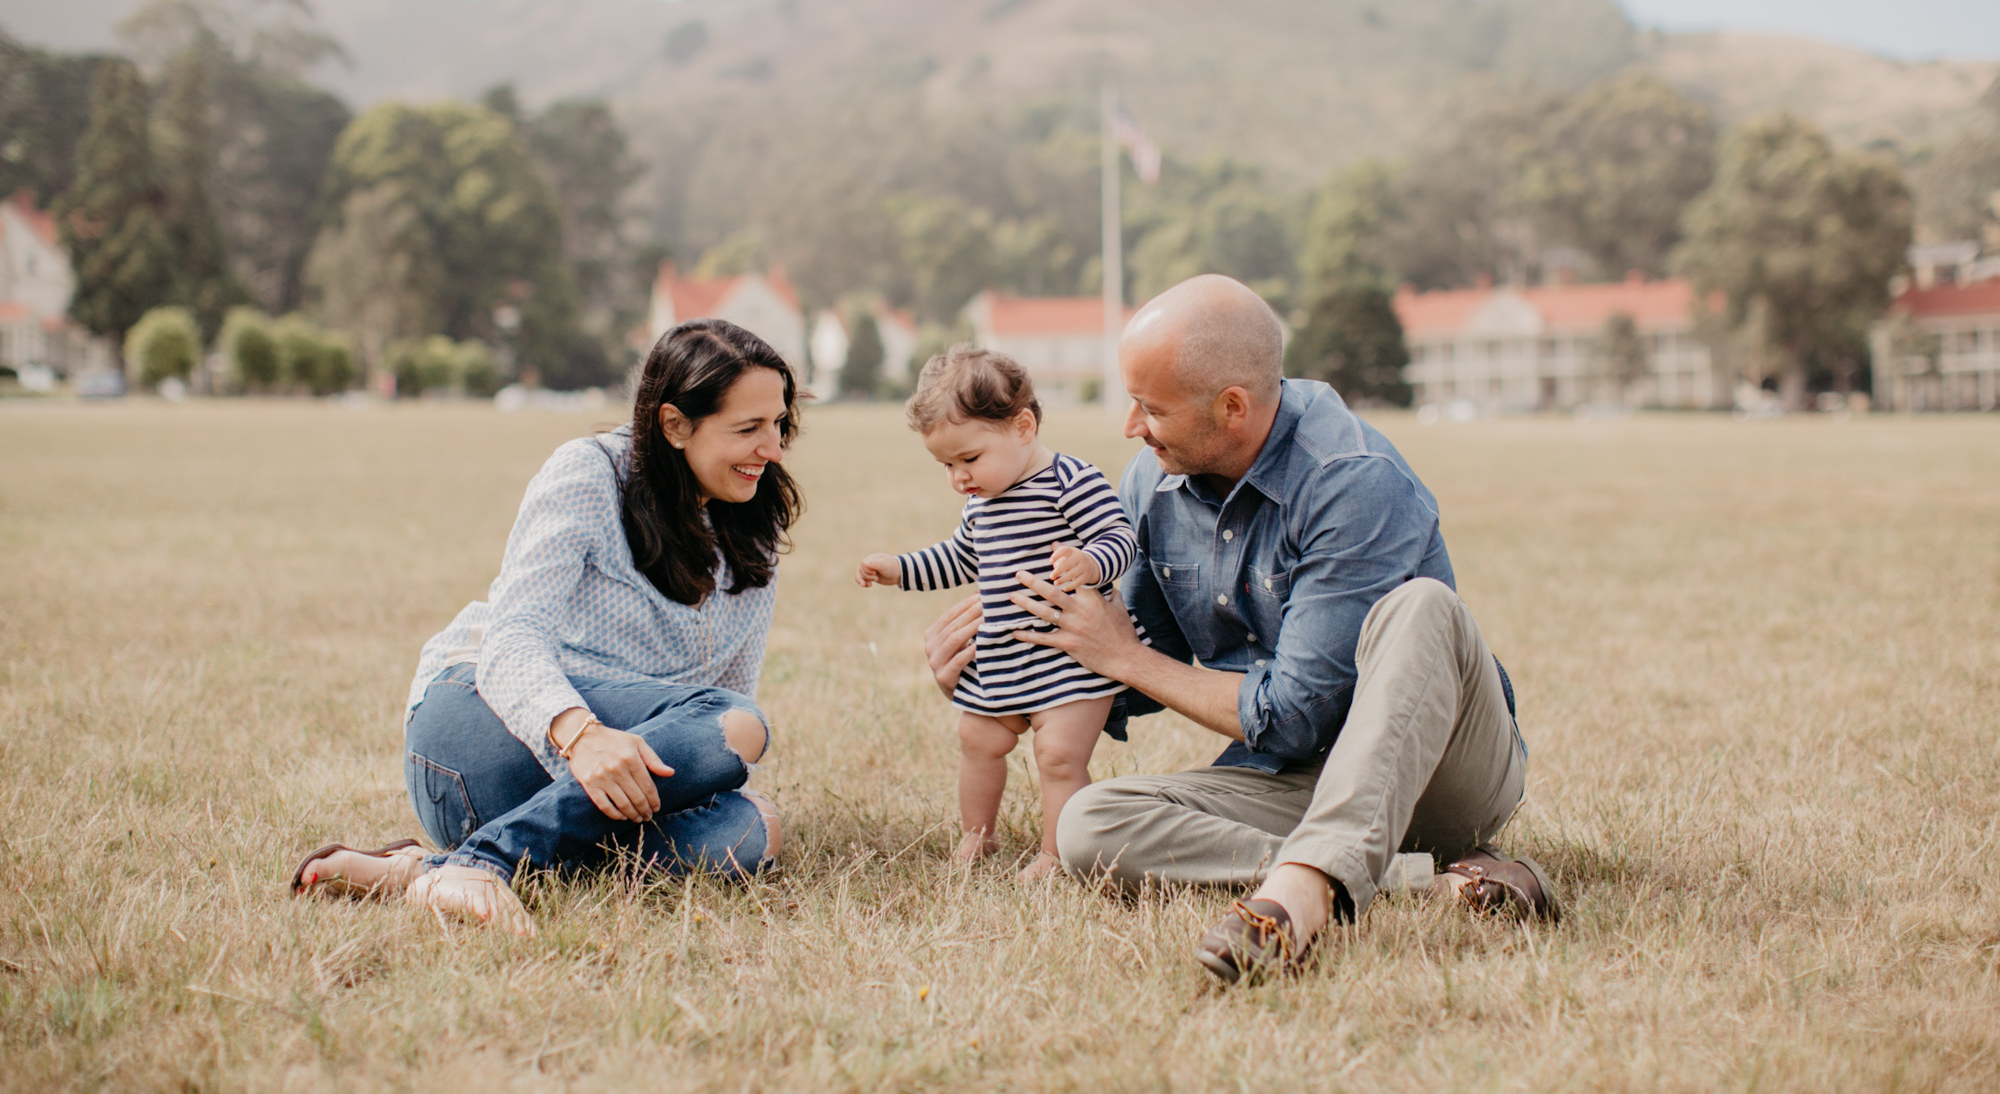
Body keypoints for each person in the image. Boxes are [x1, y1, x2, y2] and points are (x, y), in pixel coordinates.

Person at [921, 275, 1558, 983]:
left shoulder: (1351, 477)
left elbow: (1291, 712)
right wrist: (1004, 665)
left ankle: (1300, 893)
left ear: (1232, 408)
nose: (1130, 426)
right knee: (1087, 825)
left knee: (1424, 608)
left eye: (1150, 407)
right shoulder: (1149, 482)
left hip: (1434, 773)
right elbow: (1133, 666)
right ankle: (1425, 883)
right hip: (1291, 785)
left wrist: (1126, 657)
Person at [292, 319, 801, 935]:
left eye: (778, 423)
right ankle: (487, 859)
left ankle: (432, 870)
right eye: (748, 429)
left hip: (592, 793)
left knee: (752, 830)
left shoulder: (752, 525)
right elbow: (511, 640)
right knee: (738, 723)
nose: (772, 448)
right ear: (674, 425)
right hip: (478, 732)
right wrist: (583, 738)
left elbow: (705, 723)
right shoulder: (589, 475)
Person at [858, 345, 1137, 880]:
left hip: (1069, 660)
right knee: (977, 738)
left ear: (1023, 426)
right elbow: (959, 558)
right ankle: (976, 838)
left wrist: (1091, 561)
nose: (960, 477)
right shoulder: (982, 502)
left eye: (969, 458)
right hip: (1004, 657)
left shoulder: (1069, 480)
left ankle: (1056, 857)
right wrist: (899, 568)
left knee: (1057, 754)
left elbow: (1120, 537)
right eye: (947, 465)